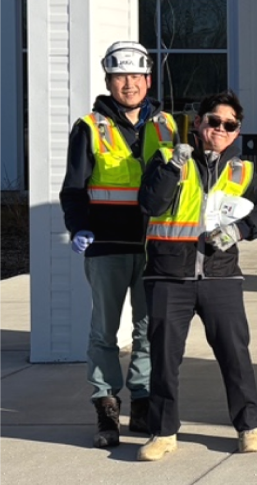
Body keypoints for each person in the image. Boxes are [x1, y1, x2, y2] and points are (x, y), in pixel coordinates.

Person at [136, 92, 257, 461]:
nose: (219, 129)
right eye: (213, 121)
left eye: (228, 125)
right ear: (199, 123)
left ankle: (249, 428)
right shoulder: (169, 159)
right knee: (165, 359)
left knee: (236, 356)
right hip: (169, 276)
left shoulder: (243, 171)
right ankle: (163, 433)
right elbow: (150, 204)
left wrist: (241, 230)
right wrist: (172, 167)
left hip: (221, 278)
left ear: (236, 132)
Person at [59, 41, 179, 447]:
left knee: (148, 331)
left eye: (136, 76)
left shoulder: (167, 125)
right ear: (109, 81)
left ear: (148, 80)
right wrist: (78, 228)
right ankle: (106, 407)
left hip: (153, 245)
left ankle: (142, 404)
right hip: (106, 244)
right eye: (120, 77)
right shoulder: (89, 127)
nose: (129, 84)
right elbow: (73, 189)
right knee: (104, 332)